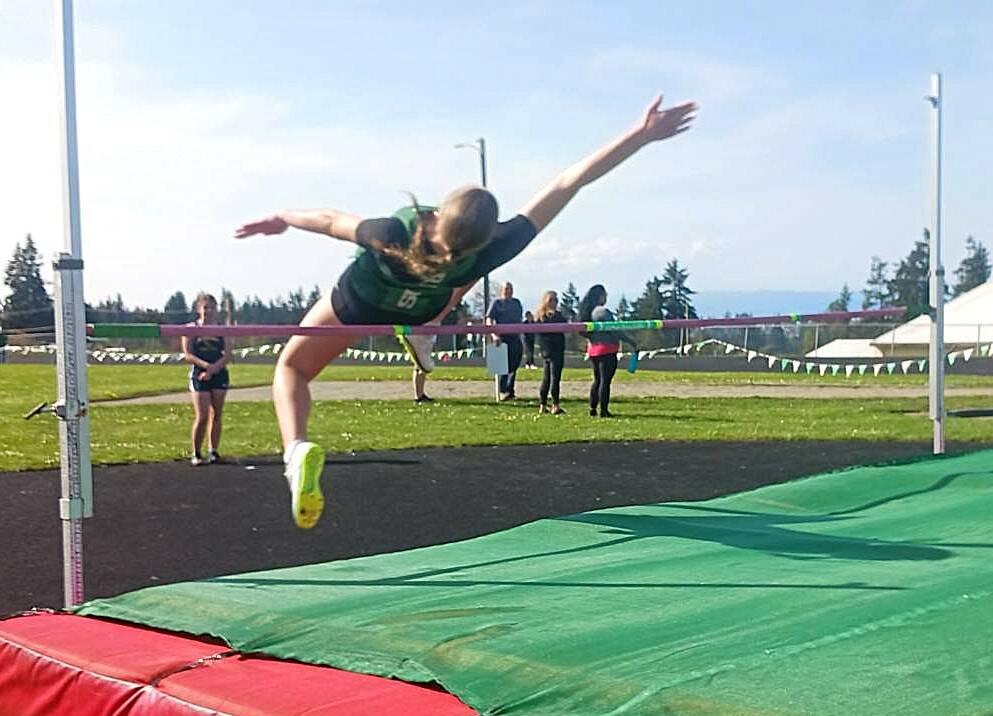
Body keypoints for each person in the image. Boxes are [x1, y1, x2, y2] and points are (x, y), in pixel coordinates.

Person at [234, 94, 696, 529]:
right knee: (452, 290)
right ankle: (422, 333)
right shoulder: (493, 247)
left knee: (291, 368)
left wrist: (281, 218)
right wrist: (640, 136)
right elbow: (567, 182)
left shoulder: (391, 231)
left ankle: (295, 451)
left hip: (357, 303)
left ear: (440, 212)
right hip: (425, 306)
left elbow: (328, 219)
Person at [181, 292, 231, 465]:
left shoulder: (222, 329)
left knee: (216, 414)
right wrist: (205, 366)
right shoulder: (191, 328)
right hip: (198, 373)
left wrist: (213, 369)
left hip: (218, 372)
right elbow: (187, 354)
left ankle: (214, 450)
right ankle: (196, 452)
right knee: (202, 416)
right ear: (198, 309)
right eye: (205, 308)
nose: (208, 311)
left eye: (211, 308)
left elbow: (228, 354)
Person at [578, 284, 637, 418]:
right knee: (605, 381)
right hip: (607, 349)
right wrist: (631, 341)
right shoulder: (603, 312)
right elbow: (615, 330)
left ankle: (592, 407)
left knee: (597, 380)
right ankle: (604, 410)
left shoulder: (588, 313)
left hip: (593, 350)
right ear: (600, 297)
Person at [487, 282, 524, 401]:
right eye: (506, 289)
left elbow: (519, 319)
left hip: (515, 337)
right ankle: (503, 390)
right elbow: (489, 319)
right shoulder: (496, 303)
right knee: (501, 366)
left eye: (510, 289)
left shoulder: (516, 303)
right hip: (501, 337)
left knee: (514, 363)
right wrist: (494, 335)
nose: (508, 291)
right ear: (501, 290)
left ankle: (510, 389)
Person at [534, 291, 566, 414]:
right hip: (556, 349)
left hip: (545, 350)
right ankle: (555, 405)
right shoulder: (555, 316)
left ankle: (542, 405)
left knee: (546, 378)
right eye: (553, 300)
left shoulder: (539, 316)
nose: (555, 303)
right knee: (555, 378)